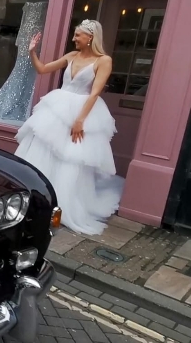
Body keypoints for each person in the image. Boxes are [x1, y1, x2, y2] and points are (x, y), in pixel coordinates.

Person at [14, 19, 123, 236]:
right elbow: (43, 69)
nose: (73, 39)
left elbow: (95, 92)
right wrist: (33, 52)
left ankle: (63, 204)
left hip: (82, 110)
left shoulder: (104, 60)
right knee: (43, 152)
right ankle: (35, 200)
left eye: (78, 35)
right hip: (57, 108)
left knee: (70, 159)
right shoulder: (71, 56)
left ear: (90, 37)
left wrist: (80, 120)